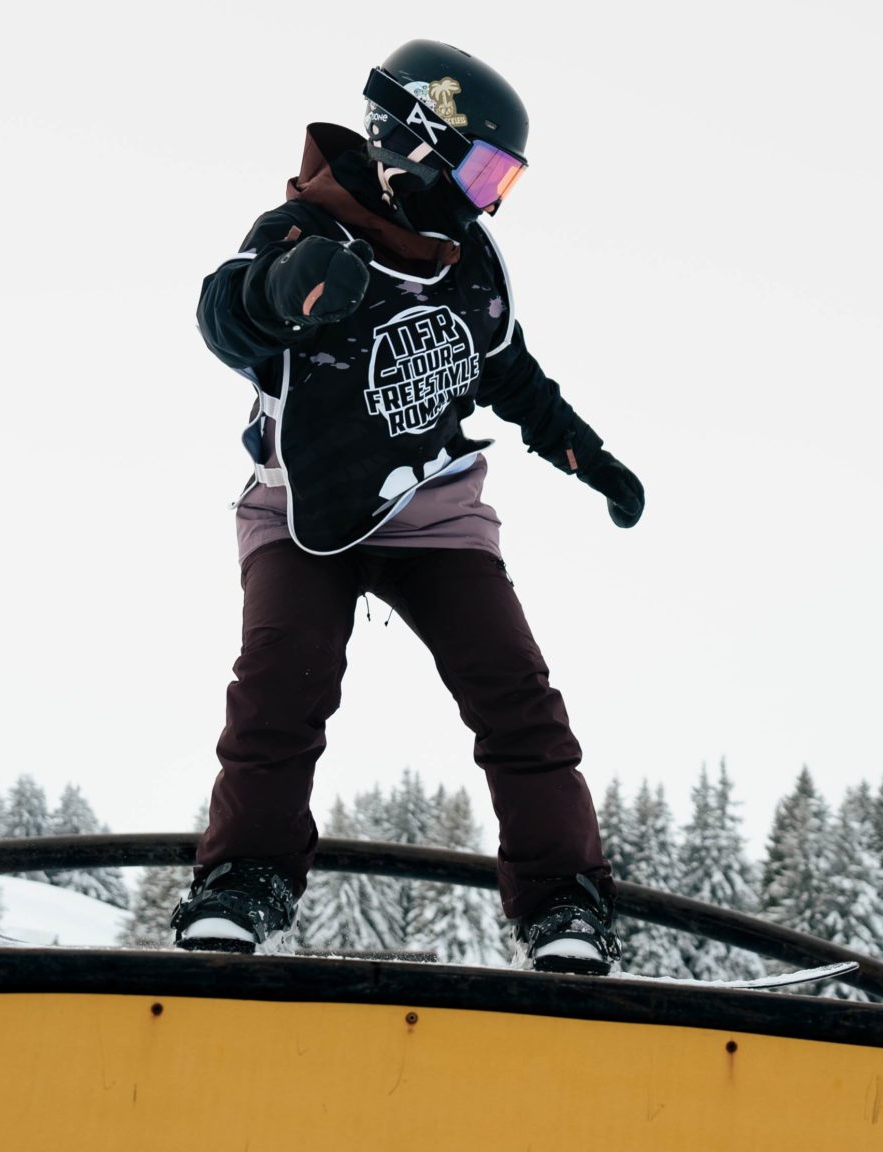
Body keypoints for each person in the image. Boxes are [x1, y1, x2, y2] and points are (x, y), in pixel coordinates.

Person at [170, 39, 642, 974]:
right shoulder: (305, 233)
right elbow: (223, 315)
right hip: (303, 507)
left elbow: (507, 371)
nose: (489, 200)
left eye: (504, 181)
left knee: (515, 694)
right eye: (483, 172)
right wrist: (276, 294)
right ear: (417, 145)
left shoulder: (468, 263)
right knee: (281, 685)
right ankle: (243, 881)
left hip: (432, 510)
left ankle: (564, 901)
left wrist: (588, 455)